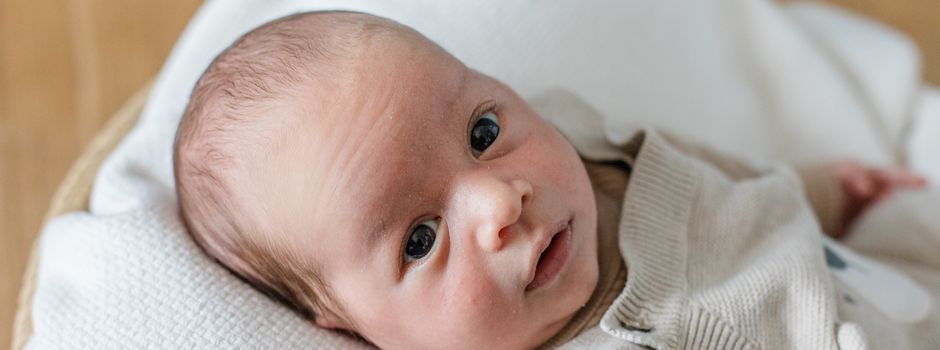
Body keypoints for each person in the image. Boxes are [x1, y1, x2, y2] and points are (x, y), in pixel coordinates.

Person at [173, 11, 937, 349]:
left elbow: (724, 183)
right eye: (420, 238)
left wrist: (827, 192)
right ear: (346, 324)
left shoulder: (593, 150)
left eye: (482, 132)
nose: (500, 200)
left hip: (890, 282)